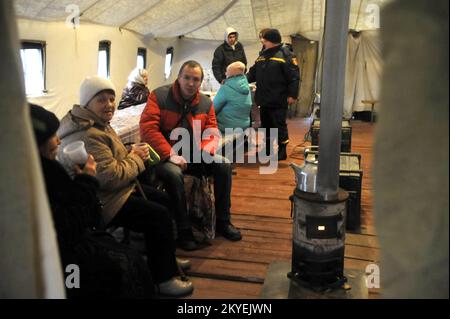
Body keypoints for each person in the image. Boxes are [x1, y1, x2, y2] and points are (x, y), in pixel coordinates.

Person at [57, 76, 193, 297]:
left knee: (164, 202)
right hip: (104, 201)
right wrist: (137, 158)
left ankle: (164, 256)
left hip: (117, 191)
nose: (109, 104)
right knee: (157, 216)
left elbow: (110, 162)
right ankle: (164, 278)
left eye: (111, 99)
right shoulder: (86, 135)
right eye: (101, 99)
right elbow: (110, 177)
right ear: (87, 102)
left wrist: (129, 152)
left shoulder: (96, 124)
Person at [29, 103, 155, 298]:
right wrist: (87, 180)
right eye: (52, 137)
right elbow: (69, 224)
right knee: (125, 263)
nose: (58, 141)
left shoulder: (48, 167)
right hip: (64, 255)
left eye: (112, 98)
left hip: (93, 216)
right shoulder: (36, 179)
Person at [140, 60, 242, 251]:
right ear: (178, 78)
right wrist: (169, 154)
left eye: (195, 79)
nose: (190, 83)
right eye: (186, 77)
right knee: (173, 174)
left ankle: (222, 220)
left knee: (224, 165)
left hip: (192, 153)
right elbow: (148, 129)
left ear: (201, 82)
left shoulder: (205, 102)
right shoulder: (159, 96)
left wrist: (206, 150)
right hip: (163, 155)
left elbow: (212, 129)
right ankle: (183, 228)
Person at [247, 28, 300, 160]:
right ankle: (267, 150)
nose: (262, 41)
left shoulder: (286, 54)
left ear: (271, 40)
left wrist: (292, 95)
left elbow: (294, 77)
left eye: (264, 39)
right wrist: (239, 80)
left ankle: (282, 151)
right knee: (266, 125)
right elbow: (253, 73)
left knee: (279, 125)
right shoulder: (263, 54)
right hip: (264, 98)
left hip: (279, 98)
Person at [213, 61, 252, 133]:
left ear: (231, 74)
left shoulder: (226, 88)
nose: (225, 73)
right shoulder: (247, 86)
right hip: (244, 126)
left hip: (227, 127)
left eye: (227, 72)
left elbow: (213, 109)